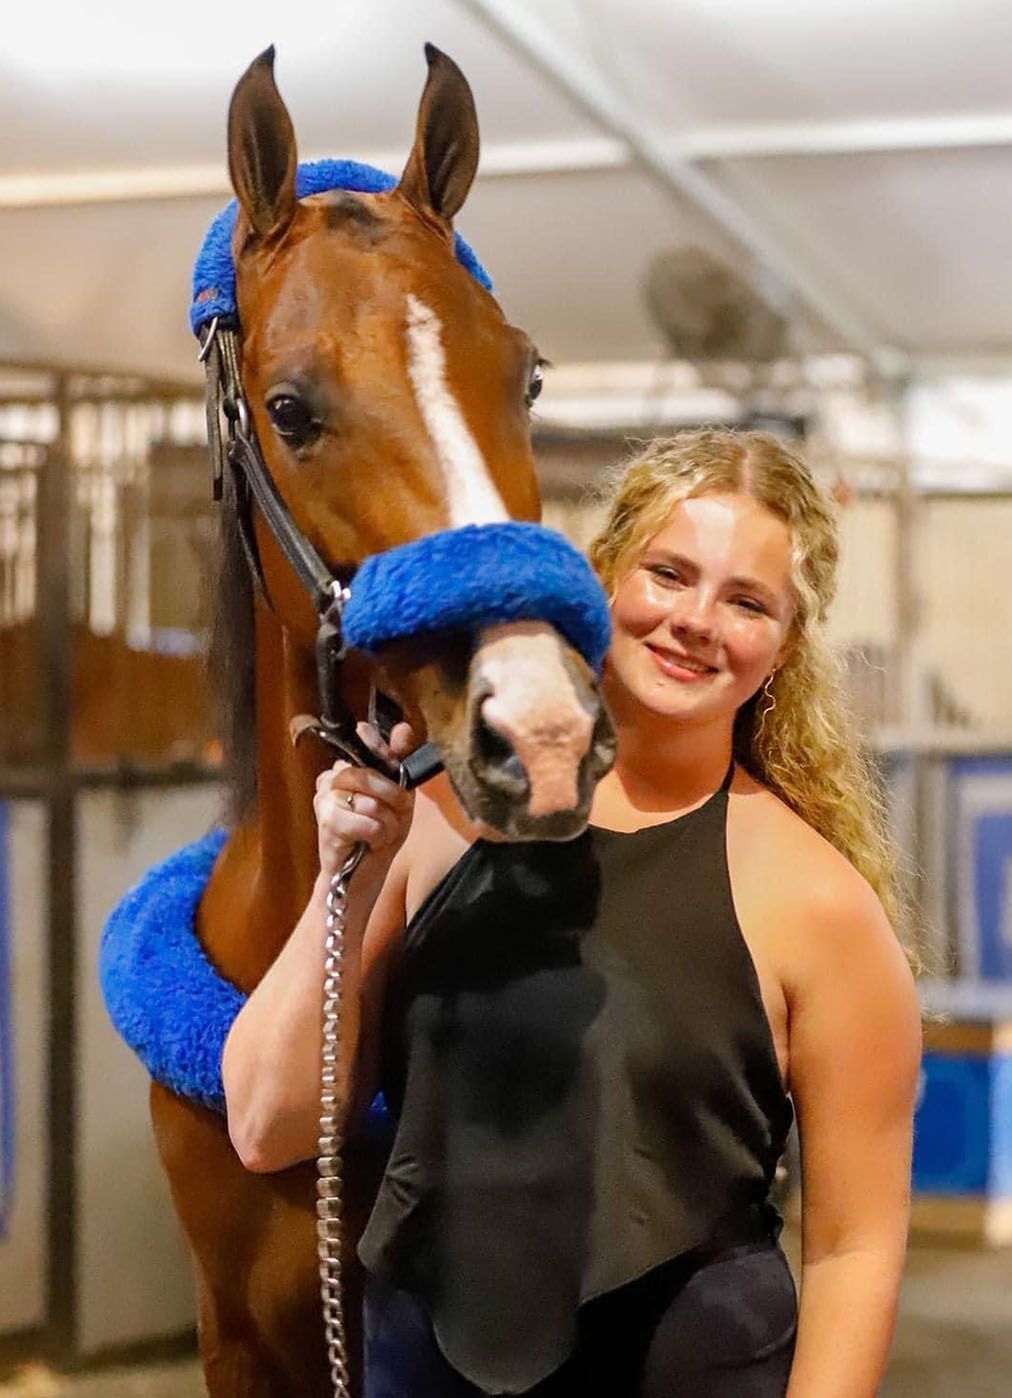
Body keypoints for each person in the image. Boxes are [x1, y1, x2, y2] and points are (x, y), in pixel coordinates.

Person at [222, 428, 922, 1397]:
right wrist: (350, 880)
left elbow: (855, 1247)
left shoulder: (818, 905)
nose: (695, 621)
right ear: (597, 580)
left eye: (746, 600)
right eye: (668, 574)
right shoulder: (431, 819)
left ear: (787, 643)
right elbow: (267, 1125)